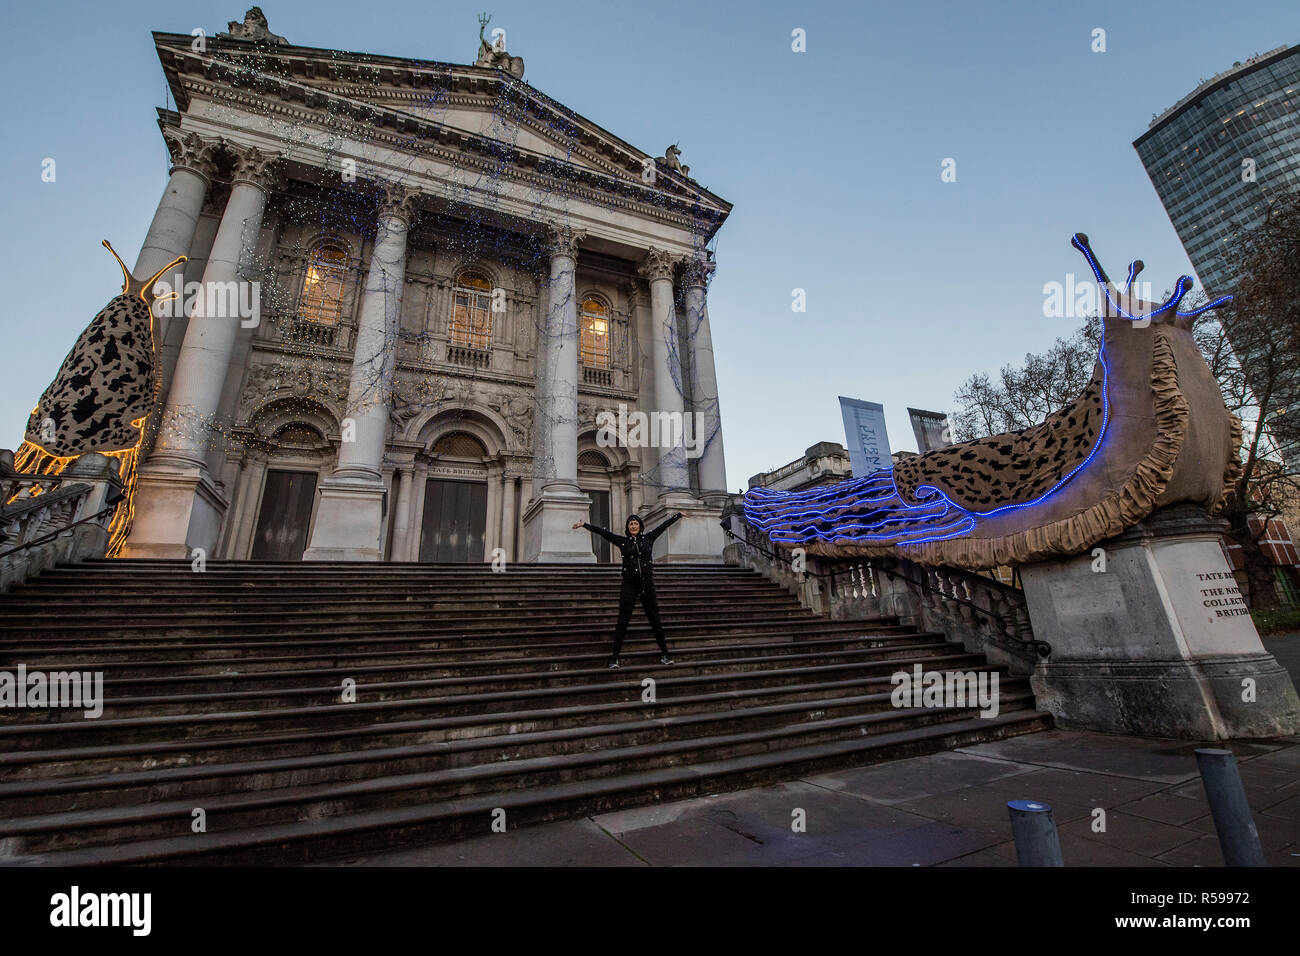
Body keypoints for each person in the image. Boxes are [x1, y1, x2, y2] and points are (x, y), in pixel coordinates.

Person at [572, 511, 682, 668]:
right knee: (622, 621)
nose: (633, 526)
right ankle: (614, 658)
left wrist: (678, 515)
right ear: (627, 527)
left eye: (636, 523)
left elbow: (663, 526)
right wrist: (585, 525)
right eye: (631, 524)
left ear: (640, 526)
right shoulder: (622, 541)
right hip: (629, 584)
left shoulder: (648, 538)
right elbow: (604, 533)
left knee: (655, 619)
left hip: (647, 583)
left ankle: (665, 654)